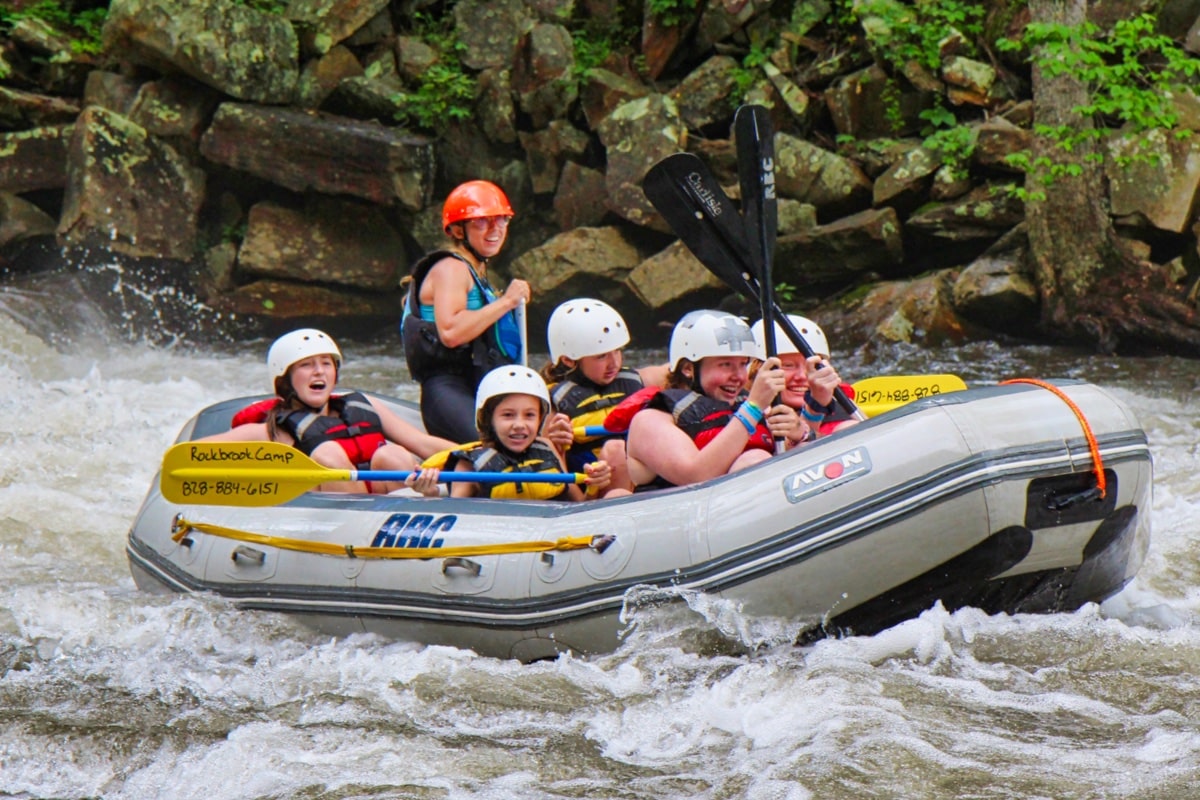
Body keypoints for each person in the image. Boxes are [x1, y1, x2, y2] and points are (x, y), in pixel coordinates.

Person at [200, 328, 456, 494]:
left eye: (326, 364)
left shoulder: (362, 406)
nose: (319, 371)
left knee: (392, 454)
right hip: (333, 518)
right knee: (328, 455)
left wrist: (477, 454)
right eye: (306, 365)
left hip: (389, 508)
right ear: (285, 378)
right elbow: (200, 453)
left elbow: (423, 443)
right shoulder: (271, 430)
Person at [400, 180, 530, 443]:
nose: (495, 229)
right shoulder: (452, 268)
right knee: (494, 449)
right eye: (482, 222)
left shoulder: (476, 272)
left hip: (475, 383)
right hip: (446, 388)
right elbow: (450, 332)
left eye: (501, 220)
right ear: (459, 231)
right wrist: (507, 302)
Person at [616, 310, 797, 489]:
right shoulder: (650, 421)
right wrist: (753, 407)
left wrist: (801, 431)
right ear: (688, 368)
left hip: (754, 506)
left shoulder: (748, 409)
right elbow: (695, 476)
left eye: (743, 364)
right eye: (725, 364)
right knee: (755, 459)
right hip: (688, 513)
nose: (739, 377)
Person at [408, 365, 627, 500]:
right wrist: (429, 493)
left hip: (555, 540)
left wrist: (593, 486)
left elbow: (579, 504)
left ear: (541, 418)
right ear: (487, 419)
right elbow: (457, 518)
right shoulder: (469, 465)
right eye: (508, 415)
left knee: (618, 495)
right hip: (509, 546)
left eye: (529, 415)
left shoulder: (546, 447)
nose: (520, 424)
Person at [539, 298, 669, 494]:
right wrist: (552, 438)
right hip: (598, 483)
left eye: (617, 351)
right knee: (615, 449)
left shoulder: (637, 379)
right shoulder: (552, 401)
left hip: (645, 472)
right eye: (601, 356)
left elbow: (677, 368)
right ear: (568, 360)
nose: (614, 363)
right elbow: (541, 446)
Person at [750, 315, 859, 443]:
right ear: (757, 370)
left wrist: (813, 411)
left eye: (811, 366)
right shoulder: (746, 416)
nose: (802, 376)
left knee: (849, 428)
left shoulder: (841, 401)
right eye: (788, 365)